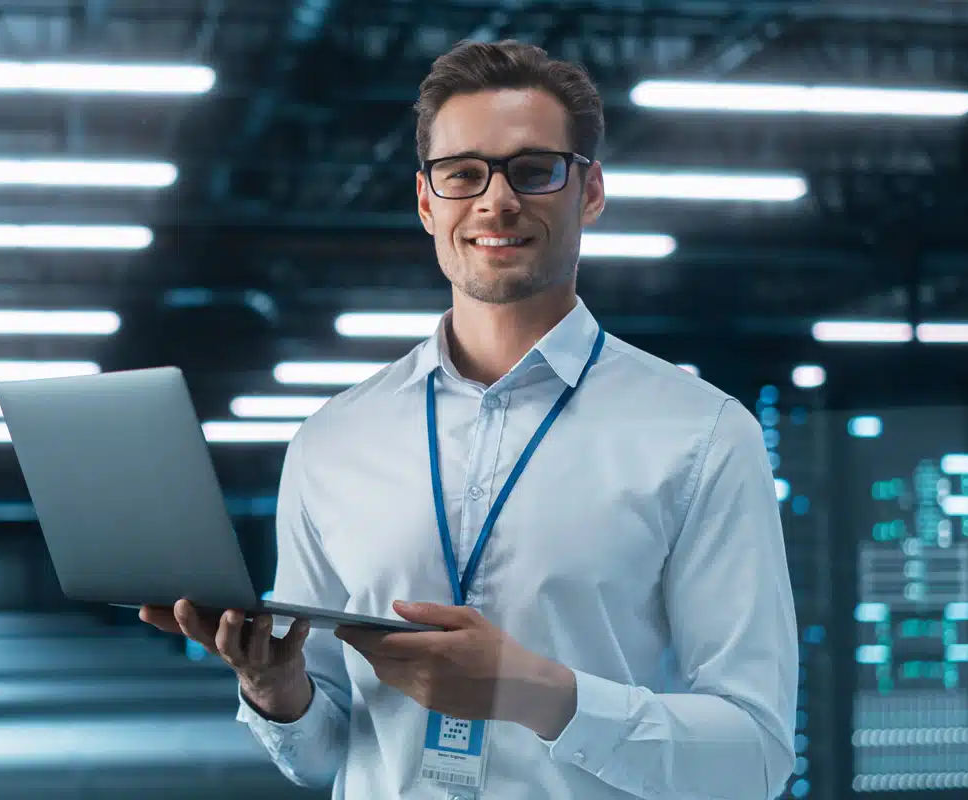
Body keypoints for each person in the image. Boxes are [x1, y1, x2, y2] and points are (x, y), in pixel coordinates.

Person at [140, 38, 797, 799]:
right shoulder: (333, 442)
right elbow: (322, 755)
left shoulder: (703, 437)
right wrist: (274, 689)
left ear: (589, 191)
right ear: (427, 201)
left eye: (533, 169)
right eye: (462, 174)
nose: (496, 201)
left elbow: (756, 756)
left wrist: (535, 692)